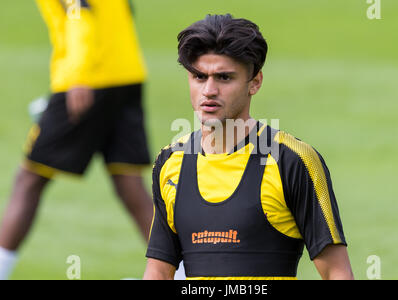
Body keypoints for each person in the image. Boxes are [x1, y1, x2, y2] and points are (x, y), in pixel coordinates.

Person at [143, 14, 354, 280]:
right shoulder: (170, 163)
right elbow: (159, 270)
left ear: (255, 82)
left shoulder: (291, 161)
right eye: (199, 76)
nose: (209, 90)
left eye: (224, 78)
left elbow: (337, 272)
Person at [0, 0, 154, 280]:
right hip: (127, 71)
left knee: (29, 179)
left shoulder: (81, 74)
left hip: (87, 78)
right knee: (128, 181)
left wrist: (79, 75)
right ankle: (182, 272)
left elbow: (79, 10)